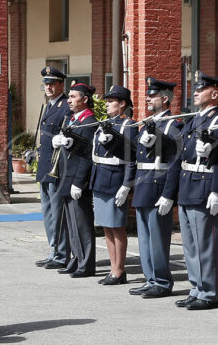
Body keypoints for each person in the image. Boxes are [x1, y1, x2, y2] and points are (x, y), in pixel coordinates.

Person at [175, 71, 218, 310]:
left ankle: (208, 292)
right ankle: (196, 287)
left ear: (215, 93)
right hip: (188, 184)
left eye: (201, 89)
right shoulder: (193, 120)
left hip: (204, 185)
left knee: (204, 243)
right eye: (195, 88)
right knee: (189, 243)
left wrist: (217, 190)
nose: (196, 92)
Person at [129, 77, 183, 298]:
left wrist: (169, 194)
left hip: (158, 185)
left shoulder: (173, 124)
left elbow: (175, 160)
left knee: (158, 238)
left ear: (164, 98)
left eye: (152, 95)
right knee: (144, 237)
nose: (147, 98)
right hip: (143, 183)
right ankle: (150, 277)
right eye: (147, 95)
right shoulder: (148, 124)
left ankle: (161, 281)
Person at [90, 85, 137, 285]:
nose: (107, 105)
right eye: (107, 101)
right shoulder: (105, 124)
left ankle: (119, 270)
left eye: (111, 101)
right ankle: (113, 268)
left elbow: (131, 158)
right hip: (101, 178)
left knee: (117, 227)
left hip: (115, 180)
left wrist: (127, 185)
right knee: (106, 227)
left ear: (122, 104)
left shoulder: (129, 126)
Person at [52, 81, 97, 277]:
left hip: (76, 180)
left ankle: (86, 263)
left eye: (73, 97)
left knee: (82, 224)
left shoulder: (88, 122)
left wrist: (79, 182)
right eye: (69, 97)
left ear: (84, 100)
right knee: (71, 224)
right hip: (65, 177)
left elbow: (87, 156)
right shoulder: (73, 119)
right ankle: (76, 258)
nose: (69, 100)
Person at [33, 66, 73, 270]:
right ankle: (53, 249)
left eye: (52, 83)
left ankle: (62, 253)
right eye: (46, 83)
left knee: (59, 213)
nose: (48, 87)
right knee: (48, 212)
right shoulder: (49, 106)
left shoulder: (66, 106)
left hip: (58, 167)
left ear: (61, 85)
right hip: (46, 165)